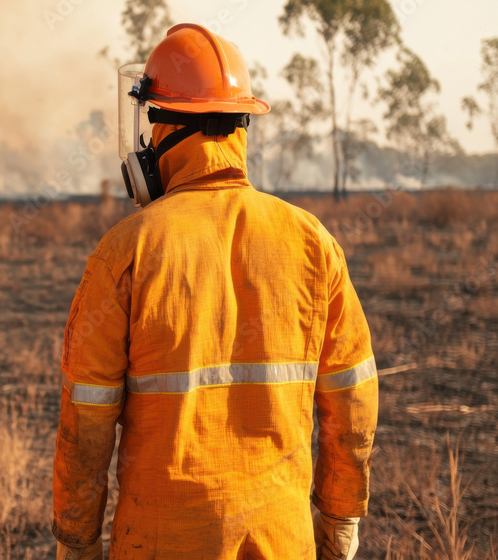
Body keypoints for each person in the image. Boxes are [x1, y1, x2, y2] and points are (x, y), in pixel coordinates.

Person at [53, 24, 377, 560]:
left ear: (168, 126)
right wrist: (341, 515)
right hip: (281, 539)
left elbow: (87, 416)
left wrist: (77, 538)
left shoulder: (126, 251)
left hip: (162, 541)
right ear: (239, 125)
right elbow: (353, 396)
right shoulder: (312, 242)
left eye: (152, 120)